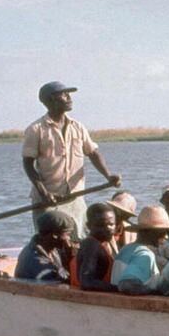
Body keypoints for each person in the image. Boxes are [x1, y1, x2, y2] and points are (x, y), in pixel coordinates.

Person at [22, 81, 121, 240]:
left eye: (69, 94)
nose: (69, 98)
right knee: (52, 241)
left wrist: (108, 176)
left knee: (79, 239)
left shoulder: (78, 127)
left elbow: (93, 153)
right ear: (51, 100)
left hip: (76, 197)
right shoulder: (36, 130)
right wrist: (44, 193)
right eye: (64, 94)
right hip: (49, 201)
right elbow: (28, 164)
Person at [112, 206, 169, 295]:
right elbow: (126, 285)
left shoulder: (127, 248)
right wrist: (155, 292)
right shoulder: (144, 255)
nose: (165, 236)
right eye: (163, 232)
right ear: (148, 232)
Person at [15, 210, 74, 282]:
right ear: (54, 235)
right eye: (67, 235)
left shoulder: (47, 246)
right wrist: (71, 260)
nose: (69, 239)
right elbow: (63, 285)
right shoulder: (38, 263)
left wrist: (68, 257)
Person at [71, 202, 119, 291]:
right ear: (88, 226)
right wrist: (119, 288)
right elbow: (86, 282)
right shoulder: (91, 245)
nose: (108, 229)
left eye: (111, 224)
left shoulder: (99, 243)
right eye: (100, 225)